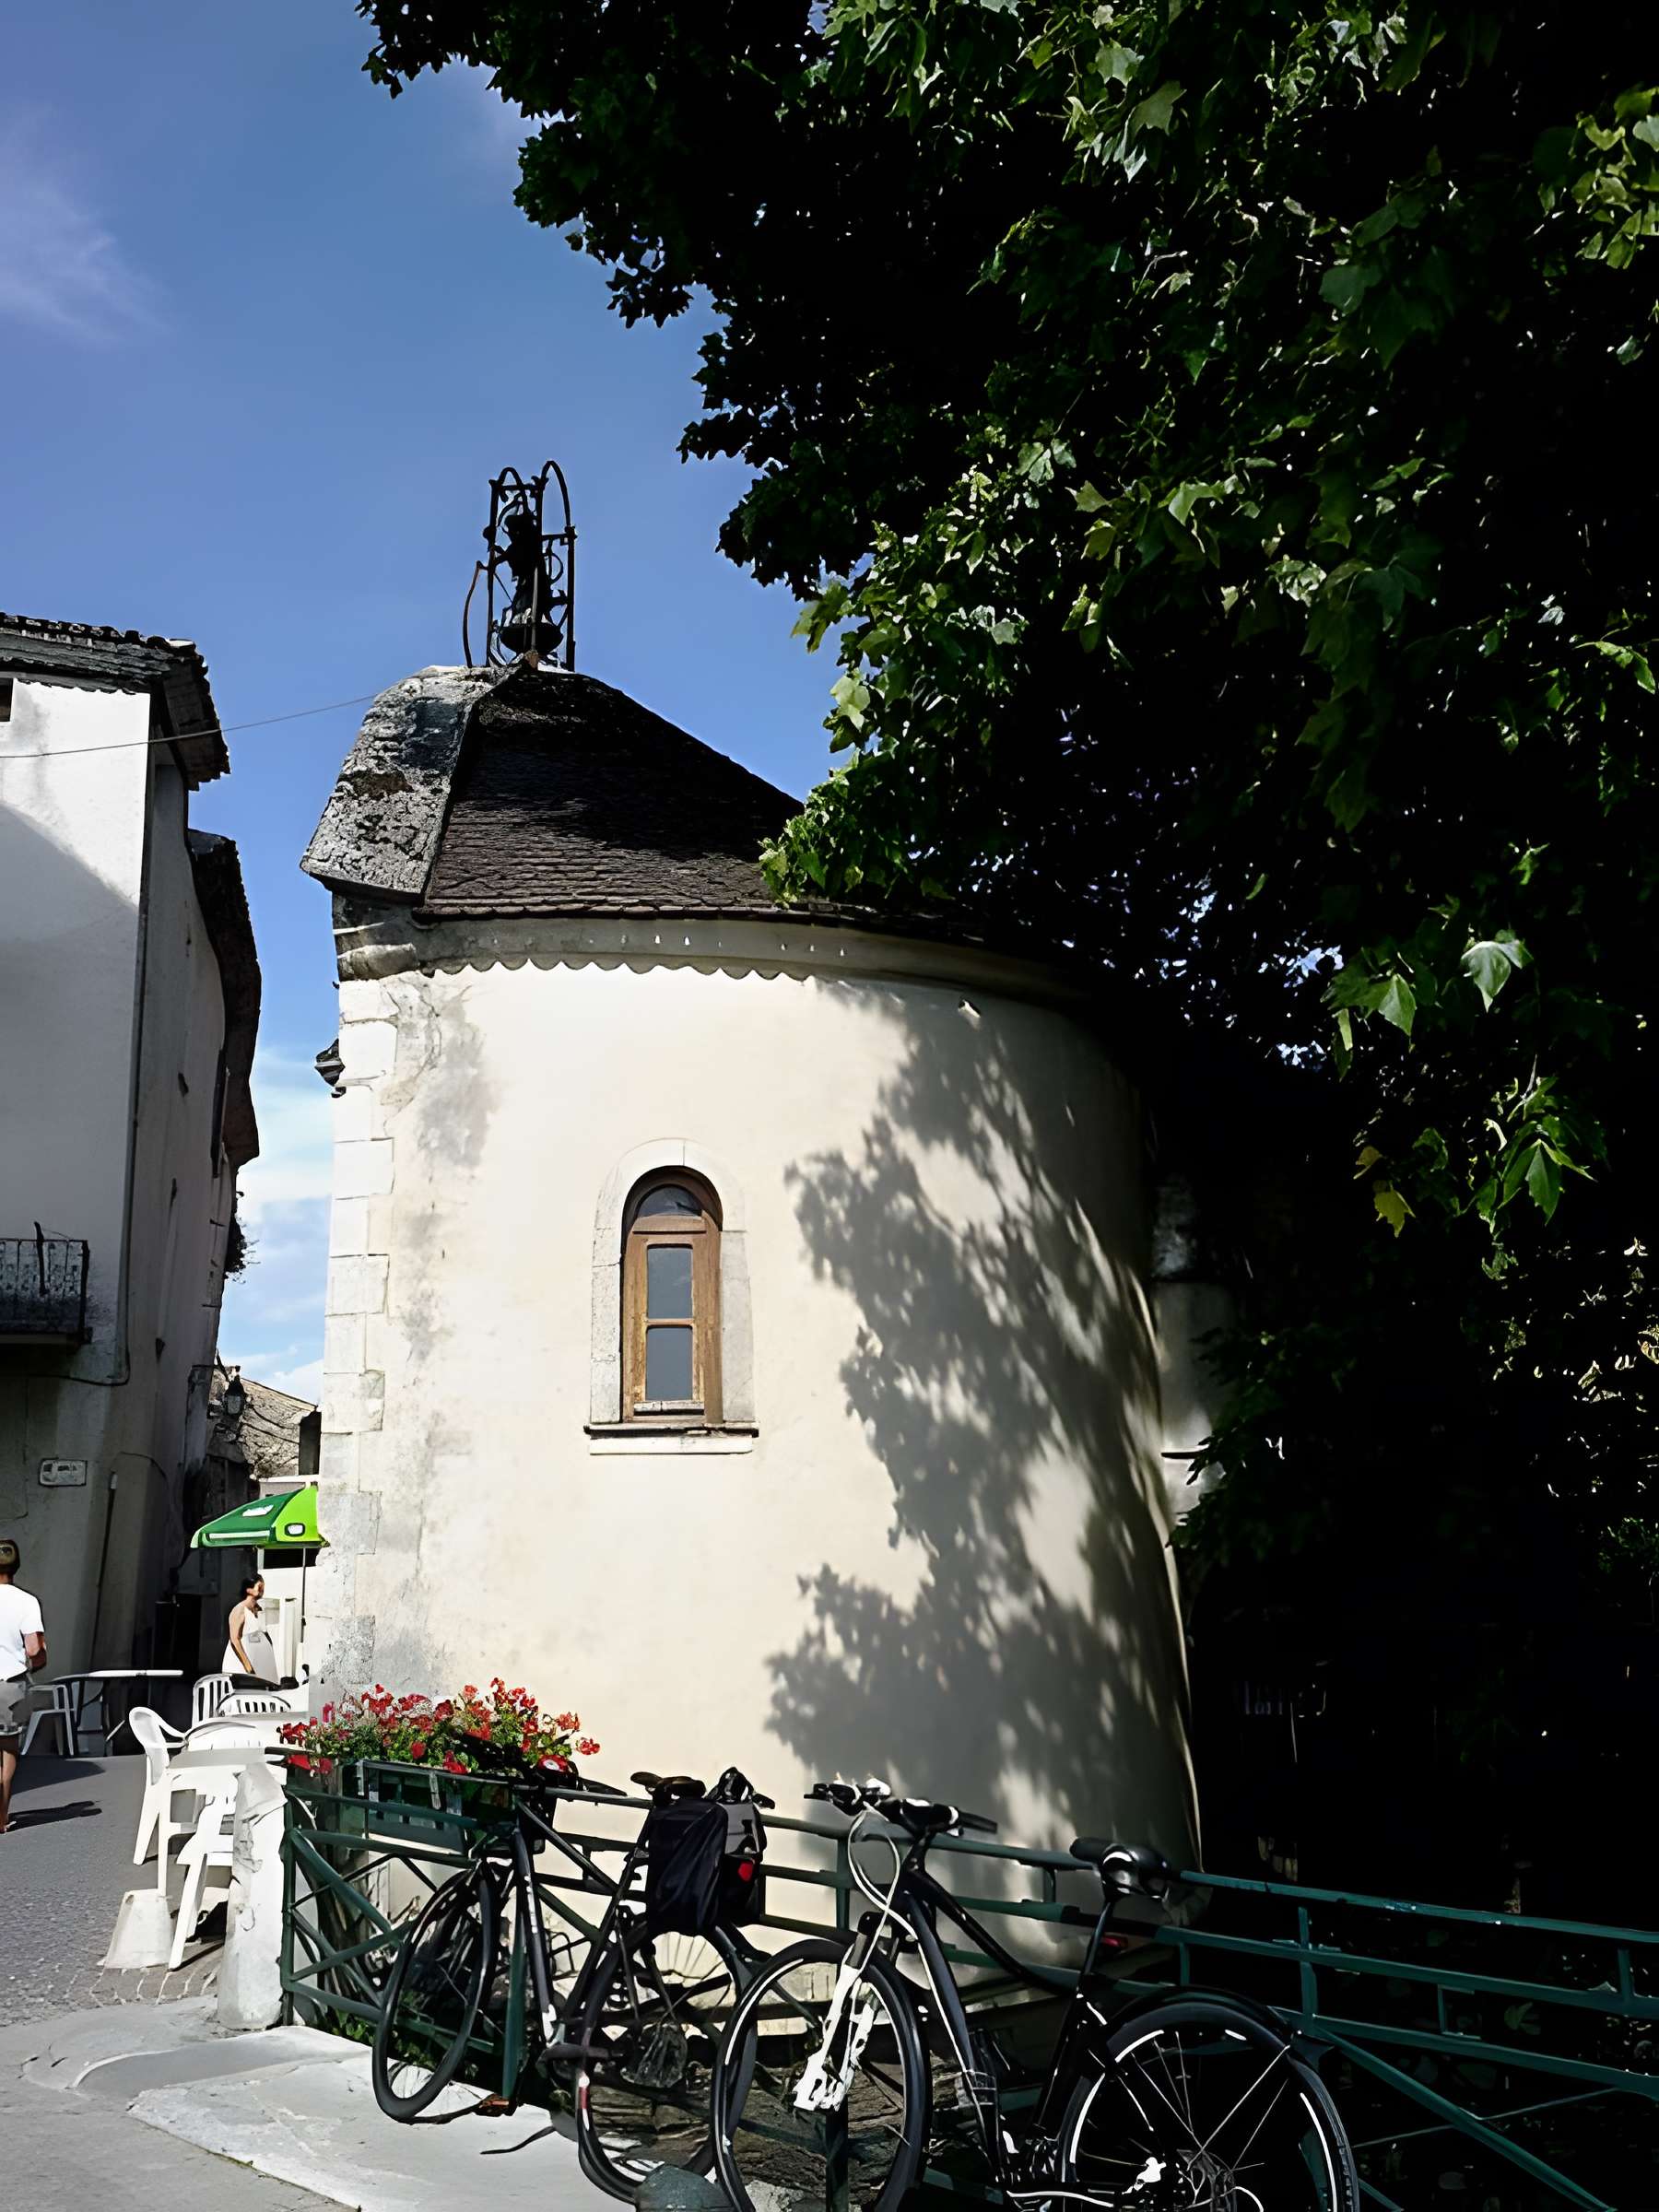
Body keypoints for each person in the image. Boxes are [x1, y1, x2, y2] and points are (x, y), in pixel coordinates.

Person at [0, 1537, 48, 1835]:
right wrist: (42, 1655)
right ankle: (2, 1817)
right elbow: (34, 1650)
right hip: (11, 1684)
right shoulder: (27, 1602)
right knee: (8, 1750)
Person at [222, 1572, 279, 1684]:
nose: (263, 1589)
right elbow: (235, 1640)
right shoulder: (239, 1610)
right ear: (249, 1590)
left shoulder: (259, 1609)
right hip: (243, 1667)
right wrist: (248, 1667)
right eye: (259, 1586)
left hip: (262, 1667)